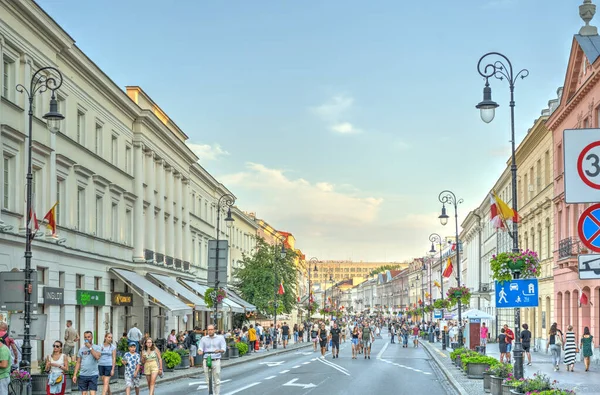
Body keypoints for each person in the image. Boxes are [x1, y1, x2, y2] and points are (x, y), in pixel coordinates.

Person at [198, 325, 226, 395]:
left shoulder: (220, 338)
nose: (210, 331)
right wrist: (200, 351)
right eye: (208, 330)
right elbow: (200, 347)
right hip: (207, 359)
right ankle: (211, 393)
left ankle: (217, 393)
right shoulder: (203, 339)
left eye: (211, 329)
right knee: (208, 379)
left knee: (216, 379)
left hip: (216, 359)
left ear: (214, 330)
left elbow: (223, 348)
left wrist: (219, 350)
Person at [73, 330, 102, 395]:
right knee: (84, 393)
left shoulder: (97, 347)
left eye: (88, 337)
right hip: (83, 374)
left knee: (92, 393)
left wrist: (90, 347)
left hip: (93, 374)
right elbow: (78, 362)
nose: (87, 339)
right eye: (85, 337)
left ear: (92, 337)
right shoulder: (81, 349)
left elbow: (97, 357)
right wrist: (75, 374)